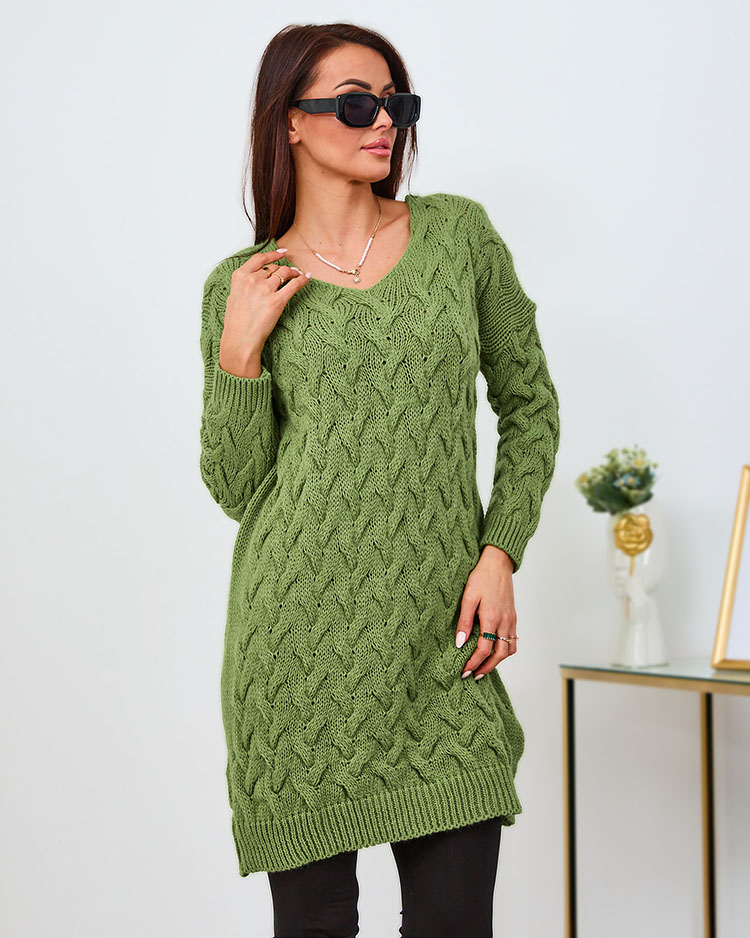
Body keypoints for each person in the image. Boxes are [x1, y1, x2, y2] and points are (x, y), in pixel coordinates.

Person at [198, 21, 561, 938]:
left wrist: (500, 552)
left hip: (443, 642)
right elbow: (238, 488)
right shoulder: (244, 283)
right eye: (359, 104)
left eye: (397, 102)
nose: (386, 121)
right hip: (297, 653)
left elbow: (530, 407)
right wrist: (239, 353)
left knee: (454, 924)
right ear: (289, 119)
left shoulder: (457, 235)